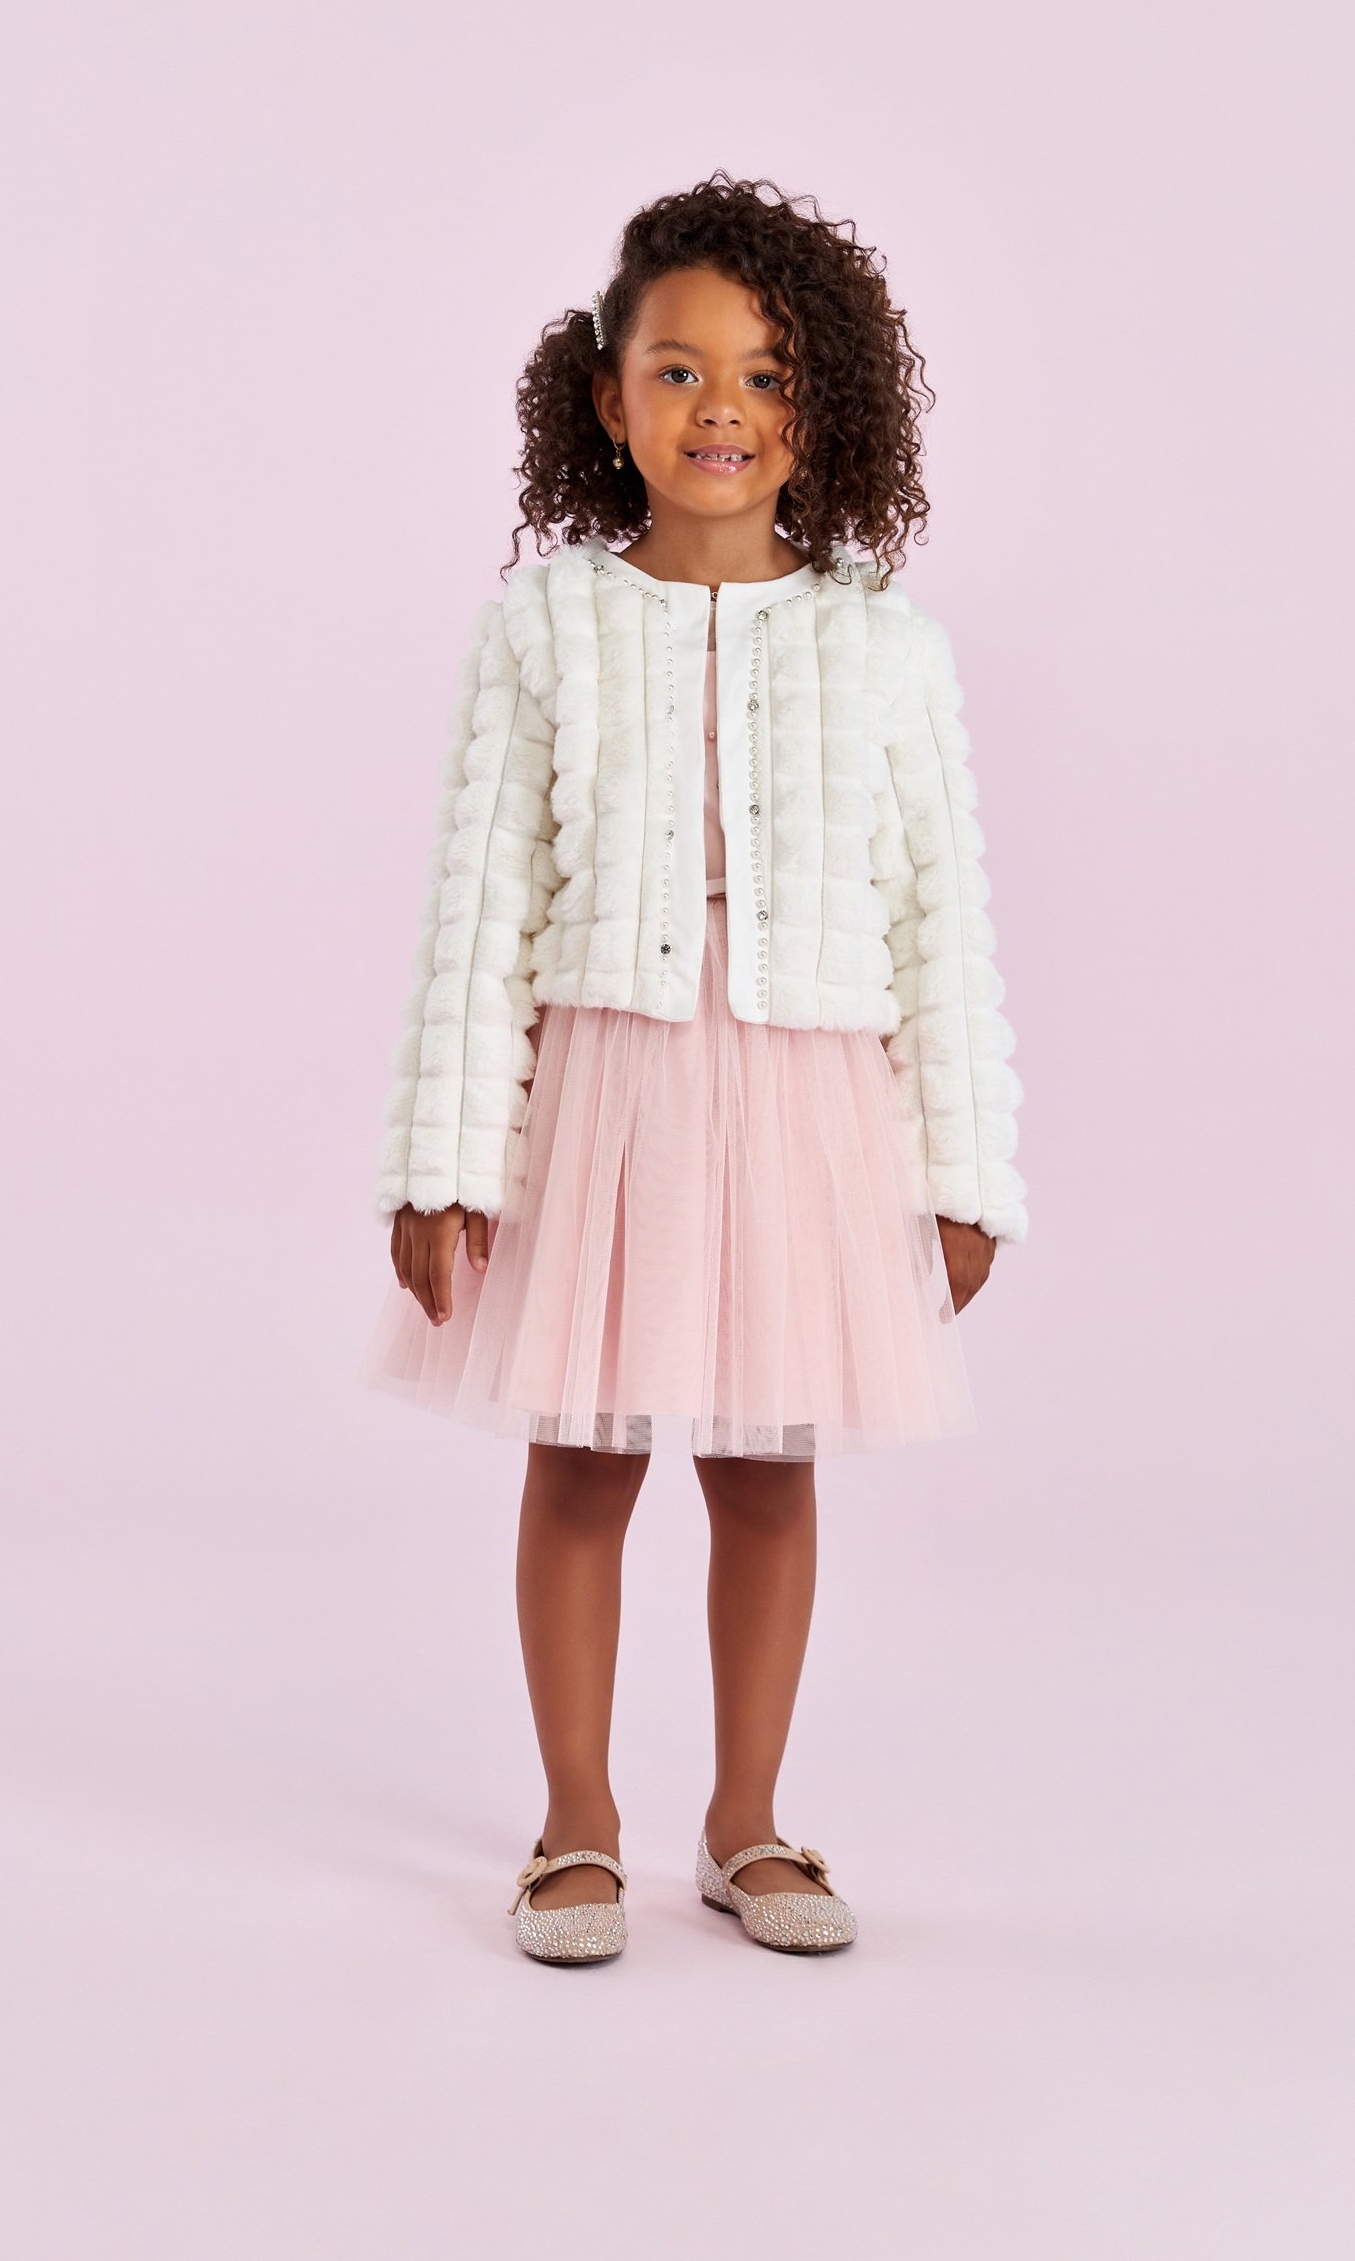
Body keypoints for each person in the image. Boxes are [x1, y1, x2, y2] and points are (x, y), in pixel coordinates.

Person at [362, 171, 1028, 1966]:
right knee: (583, 1460)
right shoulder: (546, 628)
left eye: (765, 373)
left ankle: (748, 1818)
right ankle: (576, 1817)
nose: (720, 407)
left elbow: (939, 918)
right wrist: (444, 1157)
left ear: (825, 404)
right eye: (677, 370)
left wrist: (968, 1175)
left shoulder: (882, 643)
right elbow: (482, 901)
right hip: (610, 1092)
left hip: (808, 1101)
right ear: (608, 398)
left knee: (764, 1465)